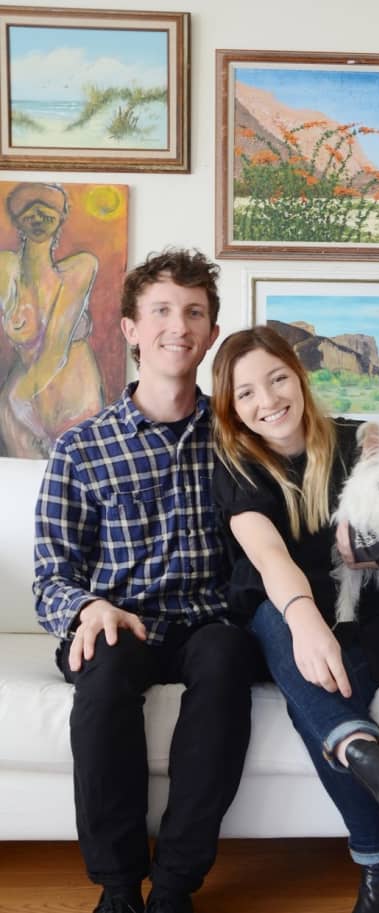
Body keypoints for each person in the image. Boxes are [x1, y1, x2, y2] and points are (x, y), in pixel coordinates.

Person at [34, 249, 260, 913]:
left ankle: (175, 885)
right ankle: (116, 886)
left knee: (226, 657)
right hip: (122, 620)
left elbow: (325, 458)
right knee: (101, 672)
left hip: (209, 621)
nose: (178, 325)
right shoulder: (81, 447)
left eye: (194, 312)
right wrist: (89, 606)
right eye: (161, 310)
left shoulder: (239, 432)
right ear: (130, 328)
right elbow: (51, 573)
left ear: (212, 332)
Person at [210, 325, 379, 913]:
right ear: (230, 405)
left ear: (299, 378)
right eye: (245, 392)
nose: (267, 401)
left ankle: (364, 785)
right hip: (282, 617)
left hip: (369, 621)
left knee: (313, 699)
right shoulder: (235, 465)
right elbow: (269, 558)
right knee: (283, 626)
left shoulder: (360, 443)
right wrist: (306, 622)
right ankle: (375, 807)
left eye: (277, 379)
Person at [0, 182, 104, 457]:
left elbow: (55, 351)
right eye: (29, 214)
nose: (37, 220)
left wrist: (17, 398)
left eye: (46, 214)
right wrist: (16, 404)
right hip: (21, 408)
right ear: (17, 220)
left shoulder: (80, 268)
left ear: (61, 217)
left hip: (73, 403)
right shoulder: (6, 268)